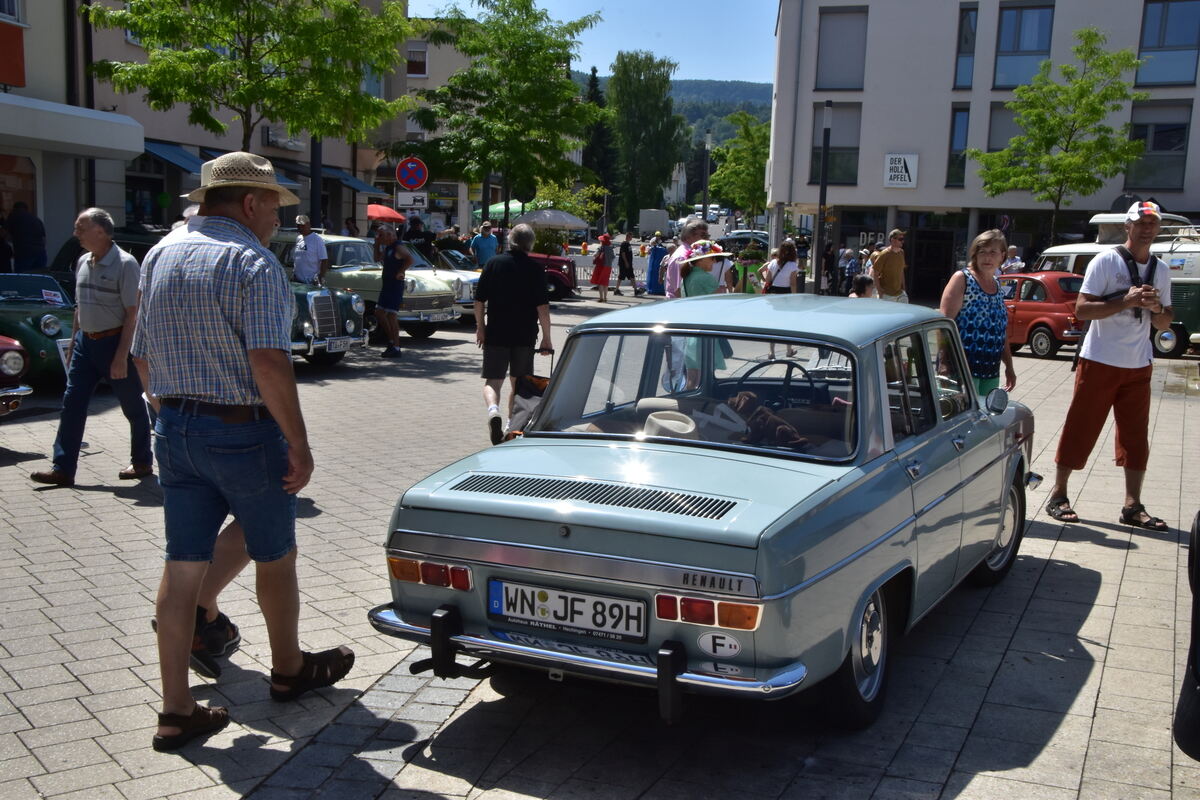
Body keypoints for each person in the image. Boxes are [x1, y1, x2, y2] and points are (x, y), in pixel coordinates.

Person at [132, 151, 354, 751]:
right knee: (274, 554)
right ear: (251, 203)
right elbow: (269, 362)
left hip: (175, 427)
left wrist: (166, 412)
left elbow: (141, 350)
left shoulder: (160, 253)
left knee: (182, 568)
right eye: (274, 210)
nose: (276, 222)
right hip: (243, 429)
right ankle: (288, 669)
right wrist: (299, 445)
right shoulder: (251, 263)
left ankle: (175, 708)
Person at [1044, 201, 1174, 531]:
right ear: (1128, 226)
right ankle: (1059, 494)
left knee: (1135, 436)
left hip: (1138, 363)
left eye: (1152, 223)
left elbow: (1165, 322)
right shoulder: (1106, 261)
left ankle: (1132, 504)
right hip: (1099, 359)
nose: (1147, 228)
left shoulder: (1161, 269)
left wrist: (1156, 307)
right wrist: (1126, 301)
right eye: (1141, 223)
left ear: (1157, 228)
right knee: (1081, 426)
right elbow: (1083, 309)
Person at [29, 208, 152, 488]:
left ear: (100, 231)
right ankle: (62, 468)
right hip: (86, 343)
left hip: (115, 342)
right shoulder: (83, 260)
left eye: (80, 228)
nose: (76, 233)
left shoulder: (126, 263)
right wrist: (73, 342)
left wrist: (122, 356)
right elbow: (79, 308)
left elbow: (132, 313)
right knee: (72, 404)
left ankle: (142, 461)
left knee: (133, 406)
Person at [473, 223, 553, 445]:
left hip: (496, 332)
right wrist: (547, 338)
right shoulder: (535, 269)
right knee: (519, 383)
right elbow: (543, 308)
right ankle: (511, 425)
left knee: (493, 380)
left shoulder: (493, 264)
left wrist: (481, 327)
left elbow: (479, 301)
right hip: (525, 335)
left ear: (510, 241)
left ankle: (492, 411)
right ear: (530, 243)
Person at [938, 229, 1017, 397]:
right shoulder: (963, 279)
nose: (987, 257)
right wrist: (944, 362)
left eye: (992, 252)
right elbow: (944, 324)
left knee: (985, 418)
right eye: (982, 252)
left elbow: (1000, 331)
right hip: (960, 370)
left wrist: (1009, 366)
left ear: (1002, 256)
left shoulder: (997, 285)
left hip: (990, 370)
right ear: (975, 254)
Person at [374, 225, 410, 359]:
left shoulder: (398, 246)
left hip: (395, 286)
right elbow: (377, 258)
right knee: (379, 312)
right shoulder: (388, 247)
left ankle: (396, 346)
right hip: (387, 284)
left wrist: (401, 271)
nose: (379, 238)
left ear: (389, 235)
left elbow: (409, 259)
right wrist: (376, 244)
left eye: (381, 235)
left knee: (391, 315)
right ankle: (391, 341)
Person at [664, 218, 710, 298]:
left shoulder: (692, 253)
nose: (707, 238)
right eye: (703, 235)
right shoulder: (682, 258)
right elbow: (678, 290)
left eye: (707, 235)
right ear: (688, 237)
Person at [6, 201, 47, 272]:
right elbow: (43, 239)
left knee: (22, 279)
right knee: (39, 278)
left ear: (15, 209)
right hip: (40, 254)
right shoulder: (36, 219)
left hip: (24, 254)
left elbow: (4, 233)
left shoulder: (14, 216)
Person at [871, 229, 908, 302]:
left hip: (900, 293)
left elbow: (901, 271)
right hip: (887, 294)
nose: (903, 241)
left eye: (903, 239)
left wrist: (904, 288)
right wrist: (879, 291)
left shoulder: (901, 252)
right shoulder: (884, 254)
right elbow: (875, 273)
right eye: (900, 239)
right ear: (892, 240)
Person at [292, 215, 329, 285]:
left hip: (311, 281)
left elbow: (324, 260)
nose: (300, 228)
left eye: (302, 226)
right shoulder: (298, 238)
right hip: (296, 280)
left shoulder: (317, 239)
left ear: (308, 224)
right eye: (298, 226)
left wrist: (320, 277)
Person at [590, 233, 614, 302]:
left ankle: (601, 298)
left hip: (601, 266)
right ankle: (605, 298)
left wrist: (594, 255)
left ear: (602, 241)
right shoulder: (610, 249)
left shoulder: (601, 247)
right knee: (605, 282)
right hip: (608, 266)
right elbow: (613, 257)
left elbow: (596, 254)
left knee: (600, 282)